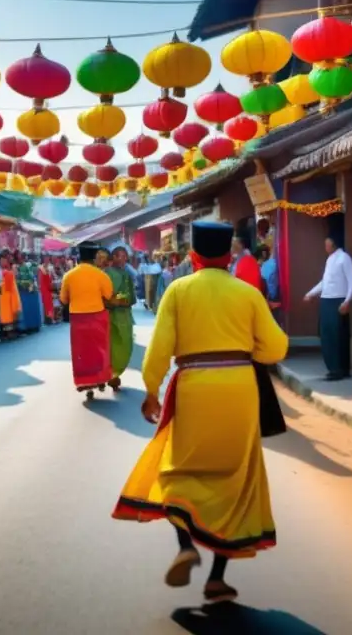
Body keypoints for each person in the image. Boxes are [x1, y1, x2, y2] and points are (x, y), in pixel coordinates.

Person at [112, 221, 288, 605]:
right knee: (236, 479)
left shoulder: (178, 290)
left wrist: (152, 391)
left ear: (192, 257)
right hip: (240, 387)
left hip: (194, 384)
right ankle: (217, 578)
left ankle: (185, 546)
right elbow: (275, 349)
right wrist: (245, 353)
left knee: (179, 468)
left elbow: (160, 348)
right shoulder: (247, 292)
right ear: (229, 257)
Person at [60, 242, 114, 399]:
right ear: (95, 257)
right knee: (99, 350)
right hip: (97, 316)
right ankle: (100, 379)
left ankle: (84, 383)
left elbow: (63, 299)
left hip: (78, 318)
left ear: (79, 256)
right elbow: (109, 295)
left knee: (81, 352)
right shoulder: (101, 275)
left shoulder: (69, 276)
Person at [304, 234, 352, 380]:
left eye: (327, 244)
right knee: (326, 335)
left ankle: (340, 369)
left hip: (338, 301)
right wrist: (311, 293)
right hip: (326, 300)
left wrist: (347, 301)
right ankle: (333, 368)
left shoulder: (344, 258)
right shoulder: (330, 259)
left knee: (338, 336)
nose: (325, 247)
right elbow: (324, 282)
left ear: (334, 244)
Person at [105, 246, 136, 390]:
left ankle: (114, 375)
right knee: (115, 347)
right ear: (113, 258)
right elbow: (107, 296)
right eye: (120, 256)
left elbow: (131, 297)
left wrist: (126, 299)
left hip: (125, 316)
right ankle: (113, 376)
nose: (123, 259)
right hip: (113, 316)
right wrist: (117, 300)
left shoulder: (126, 273)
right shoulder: (108, 274)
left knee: (126, 346)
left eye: (125, 256)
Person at [0, 251, 23, 338]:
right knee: (6, 313)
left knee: (13, 310)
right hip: (4, 295)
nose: (4, 262)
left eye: (5, 260)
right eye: (2, 261)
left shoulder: (10, 269)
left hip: (11, 294)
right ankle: (7, 332)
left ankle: (13, 330)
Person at [17, 255, 43, 333]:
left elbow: (36, 274)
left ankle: (34, 325)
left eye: (21, 258)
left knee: (32, 308)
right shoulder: (18, 267)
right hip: (24, 291)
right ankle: (29, 326)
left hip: (31, 290)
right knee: (27, 309)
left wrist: (33, 283)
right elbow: (17, 279)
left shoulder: (31, 265)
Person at [257, 246, 280, 311]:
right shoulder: (274, 262)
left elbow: (263, 283)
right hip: (275, 295)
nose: (258, 262)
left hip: (270, 299)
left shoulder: (266, 267)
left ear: (263, 254)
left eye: (258, 259)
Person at [38, 257, 55, 325]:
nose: (47, 261)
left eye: (48, 259)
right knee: (45, 303)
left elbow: (51, 278)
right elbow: (40, 279)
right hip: (43, 288)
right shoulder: (40, 268)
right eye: (46, 259)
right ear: (43, 260)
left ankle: (50, 318)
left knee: (49, 303)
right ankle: (47, 319)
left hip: (48, 287)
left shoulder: (50, 267)